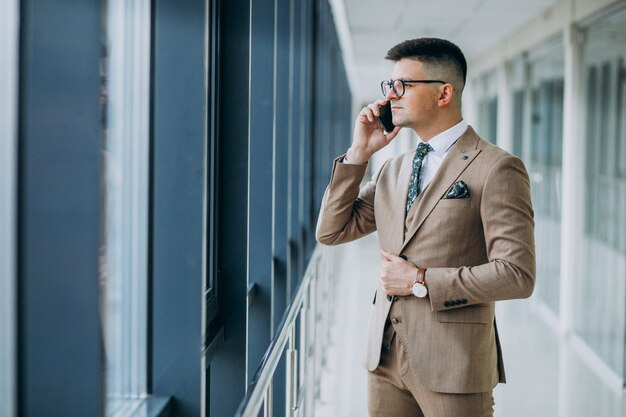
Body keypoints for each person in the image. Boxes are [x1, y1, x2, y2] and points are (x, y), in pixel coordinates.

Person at [316, 38, 535, 417]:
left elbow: (517, 275)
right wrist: (359, 155)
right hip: (385, 359)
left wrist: (420, 279)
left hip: (454, 363)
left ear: (444, 93)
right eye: (389, 86)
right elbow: (332, 231)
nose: (389, 97)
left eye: (403, 85)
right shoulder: (393, 169)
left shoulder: (497, 167)